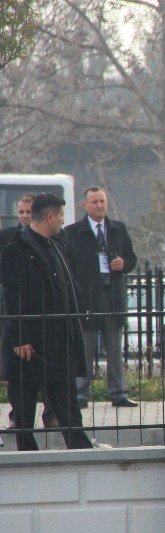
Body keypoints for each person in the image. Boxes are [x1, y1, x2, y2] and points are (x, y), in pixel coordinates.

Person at [1, 193, 91, 450]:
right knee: (24, 410)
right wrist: (20, 337)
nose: (63, 221)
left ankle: (81, 449)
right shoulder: (15, 249)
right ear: (50, 216)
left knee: (67, 405)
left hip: (58, 342)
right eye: (61, 216)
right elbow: (12, 296)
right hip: (29, 346)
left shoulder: (58, 247)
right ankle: (27, 455)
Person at [64, 186, 138, 409]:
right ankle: (81, 393)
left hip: (112, 297)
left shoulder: (118, 229)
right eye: (95, 202)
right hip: (86, 299)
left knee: (115, 349)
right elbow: (68, 266)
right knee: (84, 349)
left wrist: (123, 264)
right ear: (85, 205)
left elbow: (132, 259)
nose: (99, 206)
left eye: (102, 202)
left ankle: (119, 393)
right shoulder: (73, 232)